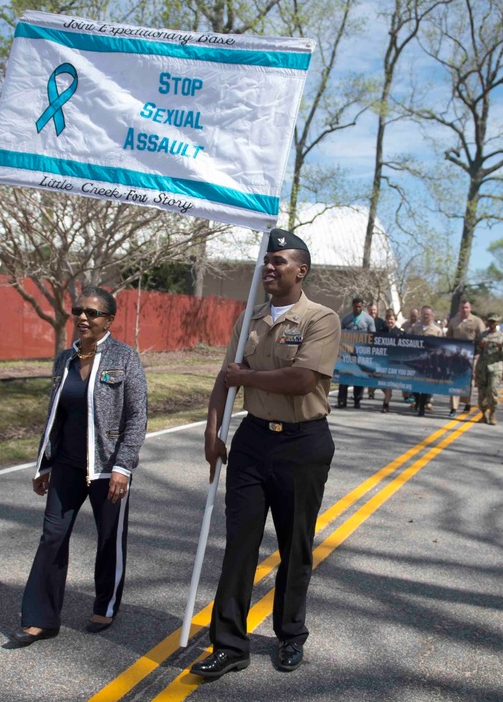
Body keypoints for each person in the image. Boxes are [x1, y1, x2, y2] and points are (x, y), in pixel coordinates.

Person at [190, 228, 340, 678]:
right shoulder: (249, 318)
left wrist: (245, 377)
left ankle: (290, 635)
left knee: (295, 546)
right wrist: (213, 429)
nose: (269, 268)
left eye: (279, 261)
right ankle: (230, 643)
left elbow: (302, 379)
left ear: (301, 270)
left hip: (303, 443)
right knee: (239, 544)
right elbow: (225, 376)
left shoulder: (321, 319)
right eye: (266, 261)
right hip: (253, 441)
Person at [11, 287, 148, 647]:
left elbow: (137, 415)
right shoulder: (63, 360)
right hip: (67, 466)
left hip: (107, 468)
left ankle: (106, 603)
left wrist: (123, 466)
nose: (83, 318)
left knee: (109, 540)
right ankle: (41, 618)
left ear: (109, 320)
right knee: (52, 537)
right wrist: (45, 463)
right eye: (78, 311)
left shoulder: (125, 357)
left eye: (93, 313)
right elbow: (55, 416)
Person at [445, 300, 484, 415]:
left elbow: (482, 337)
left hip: (472, 355)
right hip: (456, 354)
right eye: (462, 307)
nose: (464, 310)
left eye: (466, 307)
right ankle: (453, 407)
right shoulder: (454, 321)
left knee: (469, 380)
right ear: (459, 308)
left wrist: (478, 351)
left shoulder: (477, 321)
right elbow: (449, 336)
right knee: (454, 379)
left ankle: (467, 403)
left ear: (470, 308)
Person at [336, 296, 374, 409]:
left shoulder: (368, 320)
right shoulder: (346, 319)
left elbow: (373, 336)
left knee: (359, 375)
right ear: (352, 306)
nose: (358, 309)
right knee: (344, 375)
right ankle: (341, 401)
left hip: (361, 352)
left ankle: (357, 400)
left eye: (360, 307)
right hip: (347, 352)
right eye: (356, 306)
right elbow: (340, 334)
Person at [474, 314, 503, 425]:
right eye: (490, 322)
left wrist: (501, 348)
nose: (492, 324)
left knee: (493, 390)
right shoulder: (481, 335)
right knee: (482, 392)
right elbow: (474, 351)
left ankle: (493, 413)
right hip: (482, 367)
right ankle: (483, 413)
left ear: (498, 323)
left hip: (495, 368)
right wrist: (480, 346)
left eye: (494, 322)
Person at [408, 305, 443, 416]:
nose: (425, 316)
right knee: (414, 383)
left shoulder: (437, 330)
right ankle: (417, 400)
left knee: (425, 384)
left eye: (428, 314)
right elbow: (408, 341)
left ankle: (422, 407)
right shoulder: (415, 328)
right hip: (416, 360)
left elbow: (441, 346)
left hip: (429, 361)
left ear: (432, 316)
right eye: (424, 314)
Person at [380, 311, 403, 413]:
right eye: (388, 319)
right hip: (381, 361)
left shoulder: (400, 332)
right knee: (378, 382)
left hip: (393, 362)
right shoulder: (381, 331)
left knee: (388, 383)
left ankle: (386, 404)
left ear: (395, 320)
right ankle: (388, 395)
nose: (390, 321)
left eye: (392, 319)